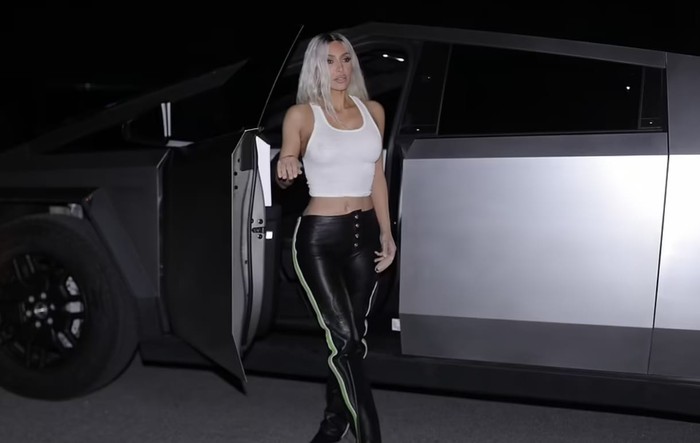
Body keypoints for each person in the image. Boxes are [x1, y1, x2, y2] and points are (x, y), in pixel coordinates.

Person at [275, 32, 396, 443]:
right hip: (320, 239)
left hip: (366, 236)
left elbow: (377, 175)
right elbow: (288, 159)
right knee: (343, 341)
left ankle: (332, 426)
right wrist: (286, 164)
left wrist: (387, 232)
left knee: (354, 339)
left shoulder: (373, 111)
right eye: (329, 61)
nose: (340, 69)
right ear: (315, 67)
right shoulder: (302, 115)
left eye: (346, 59)